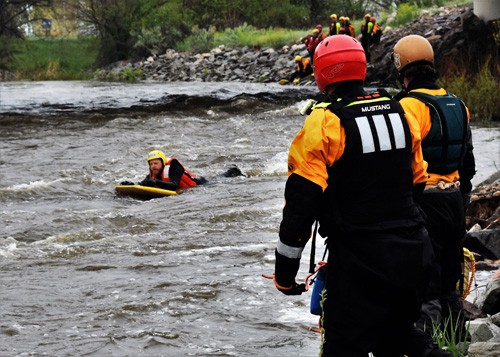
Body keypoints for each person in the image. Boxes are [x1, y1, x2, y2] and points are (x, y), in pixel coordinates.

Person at [272, 35, 452, 356]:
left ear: (321, 73)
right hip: (411, 253)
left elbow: (301, 202)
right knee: (397, 336)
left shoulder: (324, 121)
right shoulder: (400, 111)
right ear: (362, 68)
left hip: (359, 263)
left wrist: (285, 274)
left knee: (344, 346)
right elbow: (418, 182)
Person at [393, 34, 476, 340]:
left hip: (422, 204)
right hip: (453, 201)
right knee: (449, 283)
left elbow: (401, 163)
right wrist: (463, 199)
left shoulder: (406, 107)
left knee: (424, 285)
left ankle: (427, 345)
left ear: (403, 69)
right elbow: (468, 163)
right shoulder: (459, 104)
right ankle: (459, 343)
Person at [121, 149, 207, 190]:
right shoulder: (154, 172)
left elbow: (174, 185)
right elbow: (144, 183)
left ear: (162, 163)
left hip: (201, 185)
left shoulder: (174, 166)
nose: (153, 166)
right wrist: (132, 184)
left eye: (156, 163)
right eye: (151, 164)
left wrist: (155, 182)